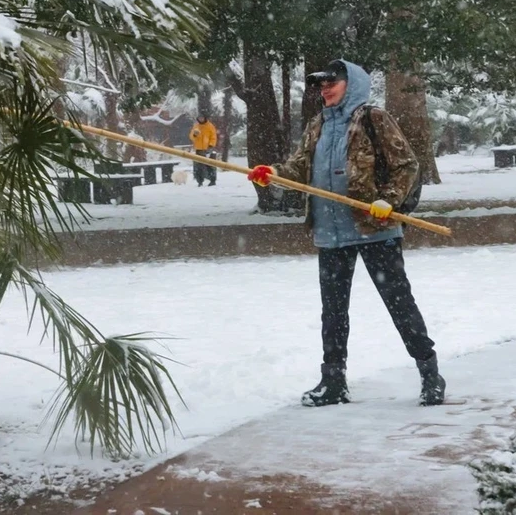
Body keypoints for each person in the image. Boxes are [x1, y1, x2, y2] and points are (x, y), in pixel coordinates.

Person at [246, 59, 446, 407]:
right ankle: (334, 381)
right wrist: (274, 173)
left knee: (399, 303)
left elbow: (407, 165)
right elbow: (299, 166)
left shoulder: (373, 118)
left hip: (374, 228)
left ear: (351, 83)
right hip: (330, 231)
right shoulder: (318, 124)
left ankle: (430, 373)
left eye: (332, 82)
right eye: (321, 84)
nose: (325, 88)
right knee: (333, 311)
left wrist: (388, 199)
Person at [189, 113, 218, 187]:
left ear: (205, 118)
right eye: (199, 118)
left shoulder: (210, 126)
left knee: (210, 165)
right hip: (199, 149)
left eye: (202, 118)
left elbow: (213, 137)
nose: (201, 119)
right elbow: (191, 137)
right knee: (199, 166)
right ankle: (200, 181)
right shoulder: (196, 127)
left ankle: (212, 180)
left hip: (208, 149)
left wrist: (211, 145)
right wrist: (194, 135)